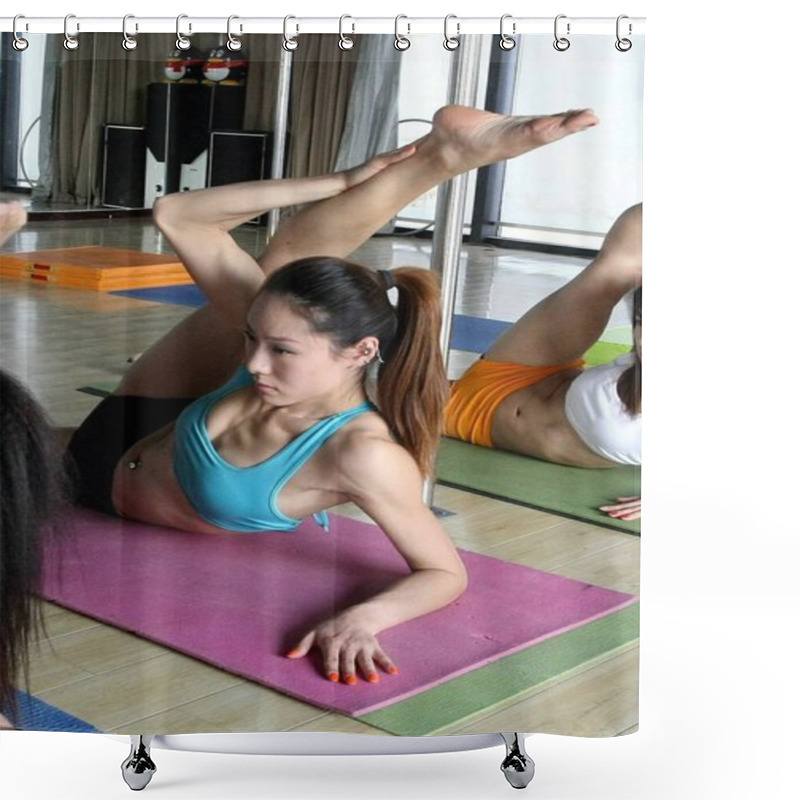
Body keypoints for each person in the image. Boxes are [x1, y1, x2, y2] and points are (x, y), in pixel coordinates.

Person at [64, 105, 601, 686]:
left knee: (281, 269)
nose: (252, 363)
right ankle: (445, 153)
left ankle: (448, 154)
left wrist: (365, 618)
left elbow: (443, 573)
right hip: (132, 423)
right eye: (252, 339)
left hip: (106, 492)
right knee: (283, 273)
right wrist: (342, 180)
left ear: (361, 352)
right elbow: (179, 214)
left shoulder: (363, 454)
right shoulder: (276, 351)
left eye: (281, 351)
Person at [445, 203, 643, 521]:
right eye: (641, 325)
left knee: (361, 400)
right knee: (612, 271)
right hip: (528, 368)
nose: (642, 339)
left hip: (472, 416)